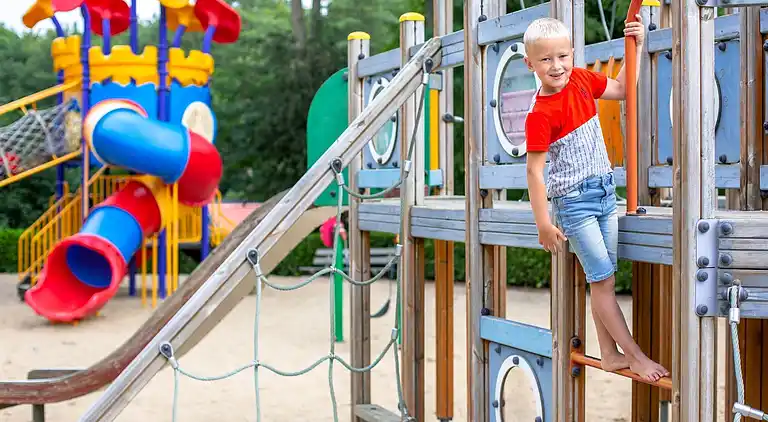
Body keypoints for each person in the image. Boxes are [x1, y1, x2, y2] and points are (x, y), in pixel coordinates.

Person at [523, 16, 669, 383]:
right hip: (574, 203)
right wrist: (543, 223)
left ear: (572, 54)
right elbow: (534, 172)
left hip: (605, 194)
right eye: (545, 60)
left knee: (602, 279)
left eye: (562, 56)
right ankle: (634, 356)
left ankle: (608, 354)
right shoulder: (539, 114)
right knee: (603, 281)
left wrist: (634, 44)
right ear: (530, 64)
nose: (556, 66)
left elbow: (622, 88)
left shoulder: (583, 80)